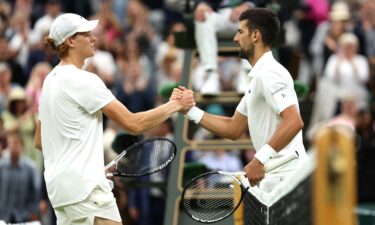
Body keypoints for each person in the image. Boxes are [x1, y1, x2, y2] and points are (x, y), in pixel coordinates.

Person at [34, 13, 194, 225]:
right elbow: (133, 123)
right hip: (86, 191)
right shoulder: (84, 80)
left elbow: (39, 141)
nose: (93, 38)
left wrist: (87, 164)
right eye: (86, 34)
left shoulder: (49, 82)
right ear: (71, 41)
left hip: (61, 194)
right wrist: (175, 105)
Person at [177, 8, 307, 192]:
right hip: (276, 179)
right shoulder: (259, 76)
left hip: (287, 178)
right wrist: (189, 110)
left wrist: (259, 159)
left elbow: (294, 121)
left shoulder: (270, 73)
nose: (235, 39)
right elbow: (233, 128)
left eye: (240, 32)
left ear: (255, 36)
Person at [193, 0, 255, 95]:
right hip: (217, 13)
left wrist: (248, 5)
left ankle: (247, 76)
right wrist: (201, 4)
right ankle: (211, 75)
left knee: (252, 17)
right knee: (203, 17)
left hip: (247, 13)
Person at [0, 131, 40, 223]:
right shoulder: (1, 167)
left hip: (23, 216)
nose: (13, 147)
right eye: (10, 144)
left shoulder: (31, 168)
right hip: (2, 216)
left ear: (22, 147)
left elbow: (35, 192)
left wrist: (32, 212)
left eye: (16, 144)